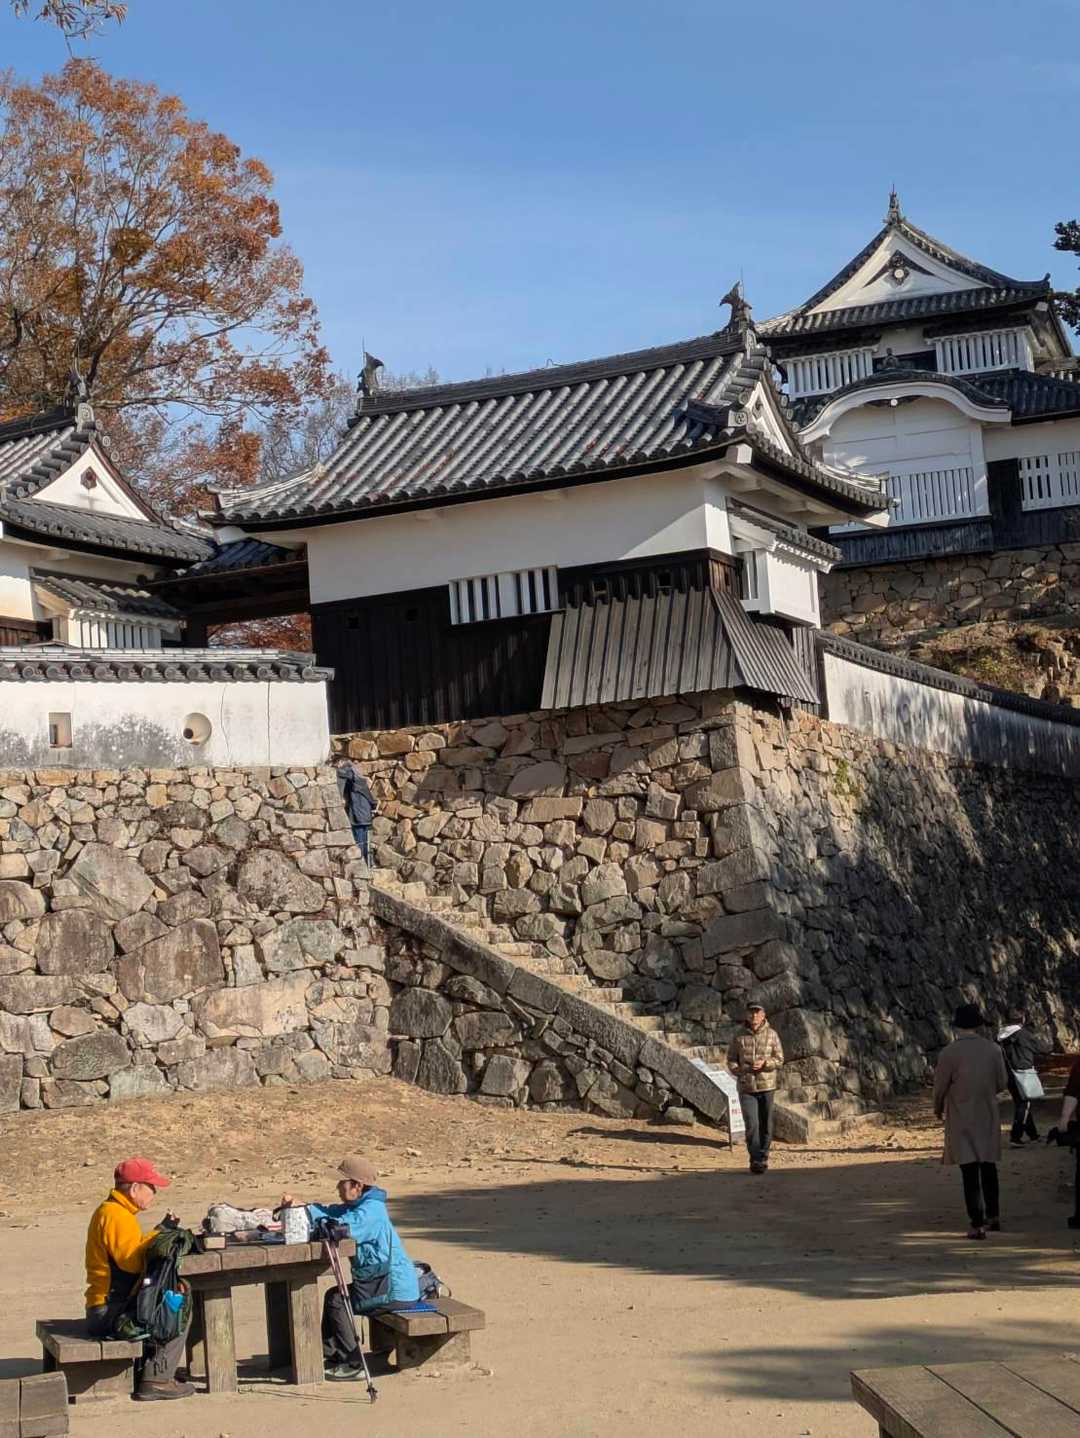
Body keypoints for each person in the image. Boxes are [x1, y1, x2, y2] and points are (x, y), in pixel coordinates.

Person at [281, 1155, 419, 1380]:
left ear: (358, 1185)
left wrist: (311, 1213)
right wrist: (304, 1207)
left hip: (392, 1289)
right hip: (380, 1283)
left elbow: (340, 1227)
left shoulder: (371, 1212)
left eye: (342, 1182)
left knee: (337, 1301)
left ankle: (354, 1363)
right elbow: (332, 1213)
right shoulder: (360, 1205)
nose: (337, 1187)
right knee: (334, 1296)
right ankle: (332, 1354)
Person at [84, 1157, 194, 1402]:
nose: (154, 1193)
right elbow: (133, 1263)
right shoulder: (116, 1215)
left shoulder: (113, 1211)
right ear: (134, 1188)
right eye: (151, 1187)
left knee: (168, 1298)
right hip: (109, 1312)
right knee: (176, 1304)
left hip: (105, 1307)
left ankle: (153, 1368)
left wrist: (161, 1230)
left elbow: (131, 1251)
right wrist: (161, 1232)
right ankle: (157, 1378)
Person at [933, 1003, 1009, 1240]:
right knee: (988, 1166)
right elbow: (1002, 1083)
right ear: (978, 1025)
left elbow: (940, 1087)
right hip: (987, 1112)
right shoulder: (994, 1050)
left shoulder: (949, 1053)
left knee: (969, 1170)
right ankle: (994, 1215)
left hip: (961, 1115)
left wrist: (938, 1107)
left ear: (957, 1026)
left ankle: (977, 1222)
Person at [726, 1002, 785, 1174]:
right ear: (746, 1015)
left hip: (767, 1086)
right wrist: (739, 1071)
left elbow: (780, 1059)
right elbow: (731, 1059)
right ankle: (755, 1159)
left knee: (766, 1124)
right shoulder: (738, 1036)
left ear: (763, 1015)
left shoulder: (772, 1035)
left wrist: (766, 1063)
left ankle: (763, 1156)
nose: (754, 1016)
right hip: (747, 1087)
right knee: (751, 1124)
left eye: (757, 1012)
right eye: (751, 1012)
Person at [997, 1007, 1045, 1146]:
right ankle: (1015, 1137)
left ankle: (1033, 1135)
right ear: (1022, 1019)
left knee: (1022, 1102)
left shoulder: (1000, 1036)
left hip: (1008, 1073)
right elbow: (1041, 1048)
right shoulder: (1023, 1034)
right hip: (1023, 1073)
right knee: (1024, 1104)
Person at [337, 759, 377, 864]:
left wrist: (337, 768)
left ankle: (363, 862)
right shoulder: (360, 782)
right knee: (365, 841)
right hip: (364, 815)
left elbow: (344, 773)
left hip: (359, 817)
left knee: (360, 842)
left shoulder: (354, 780)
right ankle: (367, 862)